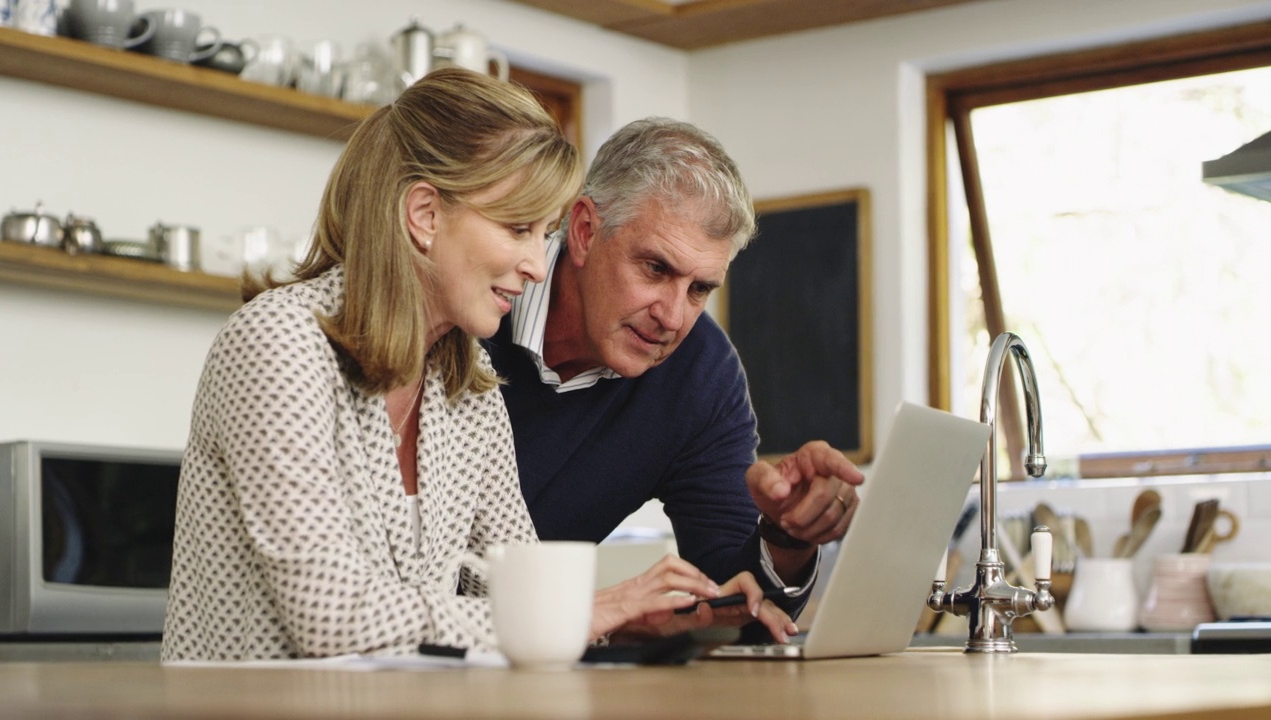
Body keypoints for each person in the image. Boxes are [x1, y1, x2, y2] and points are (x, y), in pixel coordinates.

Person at [161, 70, 794, 662]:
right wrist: (590, 613)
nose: (539, 264)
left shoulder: (468, 384)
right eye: (519, 228)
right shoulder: (279, 342)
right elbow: (331, 618)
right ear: (426, 216)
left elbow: (515, 591)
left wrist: (619, 617)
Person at [485, 118, 865, 628]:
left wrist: (788, 533)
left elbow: (735, 598)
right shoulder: (473, 309)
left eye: (700, 289)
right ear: (583, 231)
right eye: (656, 269)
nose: (673, 316)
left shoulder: (701, 375)